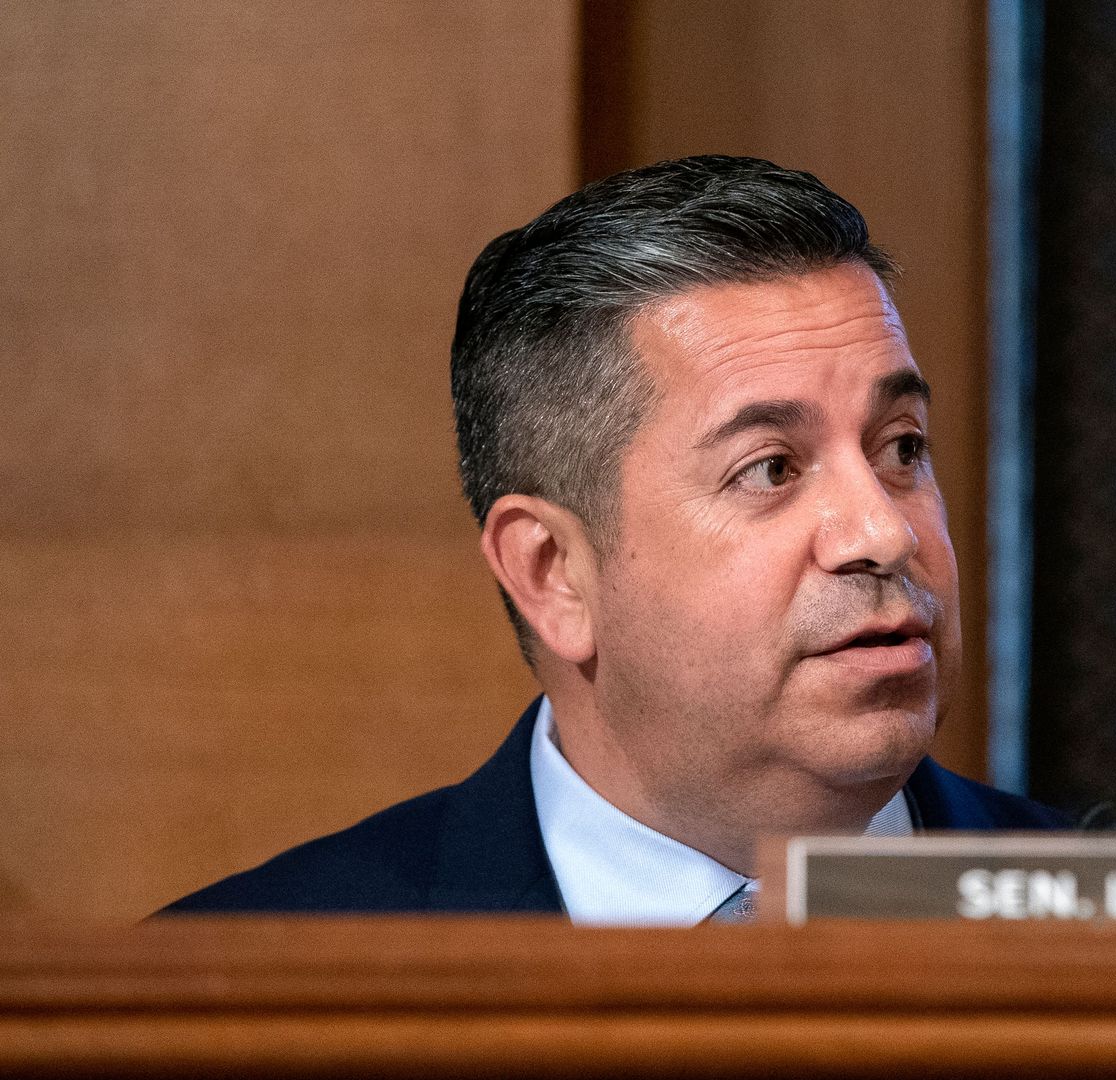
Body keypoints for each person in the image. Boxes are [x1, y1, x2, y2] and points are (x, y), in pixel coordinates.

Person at [165, 156, 1069, 922]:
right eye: (772, 469)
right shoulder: (231, 990)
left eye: (901, 448)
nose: (881, 532)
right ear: (554, 574)